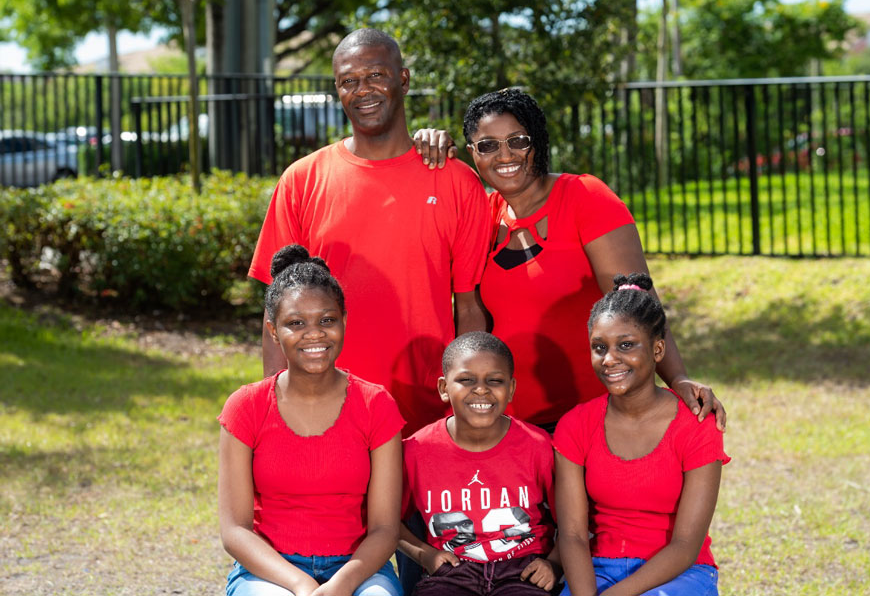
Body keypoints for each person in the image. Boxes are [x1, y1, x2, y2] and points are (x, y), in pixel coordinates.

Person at [248, 28, 490, 437]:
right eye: (349, 81)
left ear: (404, 80)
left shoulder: (456, 182)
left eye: (376, 75)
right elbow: (276, 313)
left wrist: (467, 405)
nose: (363, 90)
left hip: (426, 414)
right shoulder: (302, 181)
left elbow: (469, 308)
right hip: (327, 410)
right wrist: (277, 412)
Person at [440, 87, 725, 433]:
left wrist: (677, 377)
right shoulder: (482, 216)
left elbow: (637, 306)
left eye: (518, 140)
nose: (505, 155)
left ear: (538, 142)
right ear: (473, 153)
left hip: (591, 421)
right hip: (510, 428)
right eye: (488, 145)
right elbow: (471, 316)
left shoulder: (585, 198)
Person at [218, 244, 405, 596]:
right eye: (296, 323)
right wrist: (301, 585)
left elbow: (384, 529)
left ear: (344, 321)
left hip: (357, 569)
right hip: (270, 570)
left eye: (327, 320)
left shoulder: (376, 404)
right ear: (274, 331)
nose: (315, 333)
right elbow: (235, 531)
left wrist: (339, 586)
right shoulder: (246, 406)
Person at [554, 273, 730, 596]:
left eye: (626, 345)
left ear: (658, 348)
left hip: (678, 573)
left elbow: (685, 544)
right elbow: (573, 535)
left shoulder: (696, 424)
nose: (609, 359)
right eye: (599, 347)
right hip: (598, 571)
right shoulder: (575, 425)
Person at [400, 331, 561, 595]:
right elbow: (385, 521)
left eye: (495, 380)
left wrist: (554, 564)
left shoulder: (537, 445)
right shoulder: (417, 450)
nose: (481, 389)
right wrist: (423, 555)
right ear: (443, 388)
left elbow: (572, 524)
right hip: (452, 573)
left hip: (523, 570)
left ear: (511, 389)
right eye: (466, 380)